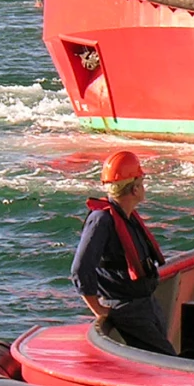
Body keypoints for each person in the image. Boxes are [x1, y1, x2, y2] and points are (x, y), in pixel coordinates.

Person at [71, 149, 174, 354]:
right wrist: (98, 309)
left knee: (163, 354)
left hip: (146, 303)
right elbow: (80, 268)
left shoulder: (127, 216)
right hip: (126, 308)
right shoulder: (102, 220)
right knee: (167, 360)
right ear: (134, 189)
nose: (144, 187)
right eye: (141, 182)